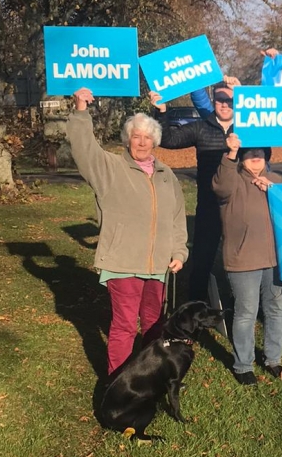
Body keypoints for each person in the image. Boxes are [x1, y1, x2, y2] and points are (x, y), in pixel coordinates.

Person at [66, 88, 188, 376]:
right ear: (128, 139)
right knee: (123, 325)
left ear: (155, 141)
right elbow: (84, 150)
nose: (142, 142)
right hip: (123, 263)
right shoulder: (110, 168)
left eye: (147, 137)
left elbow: (177, 217)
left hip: (159, 265)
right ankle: (117, 382)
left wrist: (179, 252)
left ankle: (148, 378)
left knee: (154, 325)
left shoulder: (166, 174)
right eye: (136, 136)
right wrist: (81, 110)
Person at [150, 80, 238, 303]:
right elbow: (167, 139)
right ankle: (195, 307)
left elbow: (265, 150)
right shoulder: (201, 127)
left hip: (239, 205)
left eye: (230, 100)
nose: (225, 105)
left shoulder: (249, 127)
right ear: (213, 100)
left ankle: (241, 307)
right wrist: (161, 110)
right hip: (209, 204)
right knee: (202, 260)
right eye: (220, 100)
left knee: (242, 260)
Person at [212, 134, 282, 385]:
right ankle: (243, 364)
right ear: (243, 157)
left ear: (267, 156)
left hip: (275, 260)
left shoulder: (276, 181)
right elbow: (220, 187)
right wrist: (230, 153)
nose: (255, 157)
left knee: (275, 310)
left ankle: (273, 359)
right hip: (242, 259)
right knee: (246, 312)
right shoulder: (232, 179)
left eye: (260, 153)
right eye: (250, 153)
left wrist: (275, 191)